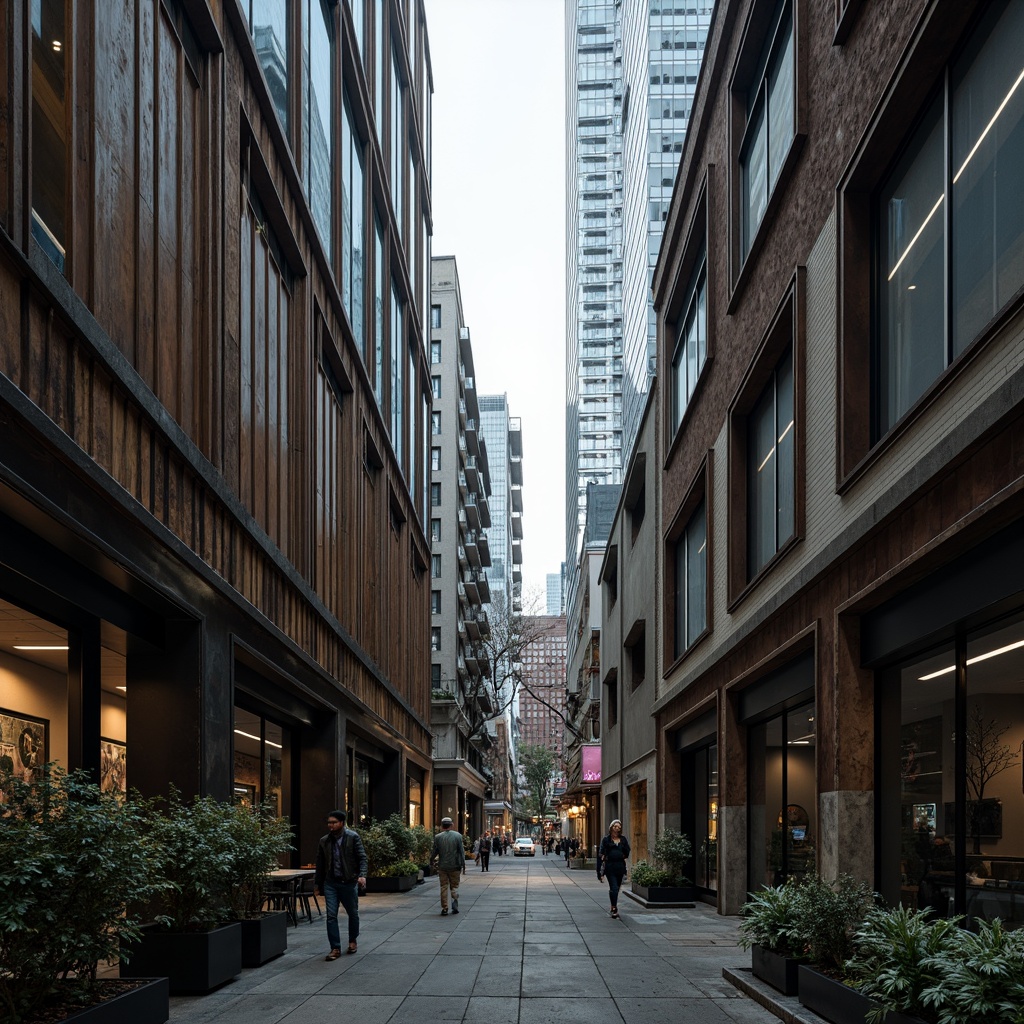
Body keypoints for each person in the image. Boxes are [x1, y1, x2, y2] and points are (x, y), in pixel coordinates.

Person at [314, 810, 367, 960]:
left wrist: (362, 875)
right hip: (331, 883)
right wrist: (317, 884)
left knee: (353, 913)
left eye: (334, 822)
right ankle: (335, 948)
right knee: (331, 915)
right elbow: (320, 863)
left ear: (342, 823)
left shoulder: (353, 837)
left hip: (349, 882)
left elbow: (362, 857)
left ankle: (352, 940)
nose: (330, 825)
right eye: (329, 822)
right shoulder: (324, 841)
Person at [431, 816, 466, 915]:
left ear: (442, 826)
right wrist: (463, 864)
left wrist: (431, 860)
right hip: (455, 866)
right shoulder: (458, 836)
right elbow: (461, 851)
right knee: (454, 886)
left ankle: (445, 908)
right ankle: (454, 902)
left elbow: (435, 851)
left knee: (443, 886)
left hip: (442, 866)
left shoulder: (438, 837)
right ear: (452, 825)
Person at [597, 819, 631, 919]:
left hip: (620, 866)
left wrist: (622, 855)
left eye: (619, 827)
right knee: (614, 887)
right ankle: (615, 908)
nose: (617, 829)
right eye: (615, 827)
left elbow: (627, 851)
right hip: (610, 867)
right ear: (611, 827)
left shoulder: (623, 839)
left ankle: (612, 904)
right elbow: (601, 852)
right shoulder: (606, 839)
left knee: (617, 887)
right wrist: (600, 872)